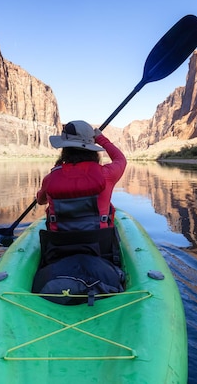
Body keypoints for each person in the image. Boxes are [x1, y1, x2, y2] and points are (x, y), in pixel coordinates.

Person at [32, 120, 127, 305]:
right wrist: (101, 138)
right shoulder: (107, 174)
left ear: (64, 149)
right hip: (100, 249)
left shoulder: (51, 179)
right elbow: (121, 160)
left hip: (59, 250)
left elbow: (40, 200)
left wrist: (42, 193)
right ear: (92, 148)